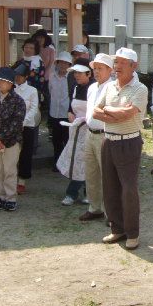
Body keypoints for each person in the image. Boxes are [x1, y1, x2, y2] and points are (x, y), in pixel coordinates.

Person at [93, 47, 148, 250]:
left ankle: (132, 233)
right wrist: (113, 112)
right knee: (110, 186)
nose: (117, 67)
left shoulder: (140, 89)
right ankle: (117, 229)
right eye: (116, 62)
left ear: (134, 66)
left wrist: (109, 111)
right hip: (108, 140)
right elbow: (96, 112)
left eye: (122, 63)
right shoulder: (109, 87)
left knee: (128, 189)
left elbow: (128, 114)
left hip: (129, 141)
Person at [0, 67, 26, 212]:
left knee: (9, 170)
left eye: (4, 81)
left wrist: (1, 138)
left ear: (11, 84)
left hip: (11, 140)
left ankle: (11, 198)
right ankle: (0, 196)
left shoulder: (18, 101)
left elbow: (17, 122)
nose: (0, 83)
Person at [79, 53, 113, 222]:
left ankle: (110, 212)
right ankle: (95, 207)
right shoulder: (92, 87)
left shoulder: (113, 88)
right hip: (90, 133)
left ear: (110, 70)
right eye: (95, 68)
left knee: (107, 175)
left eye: (101, 68)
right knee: (91, 172)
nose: (97, 72)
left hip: (105, 135)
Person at [58, 58, 95, 206]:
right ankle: (74, 193)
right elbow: (71, 106)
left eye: (80, 73)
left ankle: (82, 192)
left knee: (87, 160)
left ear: (88, 74)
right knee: (75, 160)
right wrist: (70, 113)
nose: (77, 76)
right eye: (75, 73)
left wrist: (84, 119)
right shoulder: (75, 87)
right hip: (75, 128)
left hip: (89, 128)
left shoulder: (94, 88)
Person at [14, 63, 40, 194]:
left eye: (20, 76)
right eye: (16, 76)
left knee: (25, 154)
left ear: (25, 77)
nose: (17, 78)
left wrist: (23, 122)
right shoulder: (11, 89)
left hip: (27, 126)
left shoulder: (32, 91)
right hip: (11, 127)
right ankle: (9, 180)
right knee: (11, 154)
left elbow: (34, 109)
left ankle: (22, 181)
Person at [49, 51, 73, 169]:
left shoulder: (71, 78)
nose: (63, 65)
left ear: (69, 65)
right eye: (61, 62)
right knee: (56, 140)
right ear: (57, 63)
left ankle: (67, 164)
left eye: (66, 63)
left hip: (66, 113)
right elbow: (50, 91)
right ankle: (57, 163)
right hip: (54, 113)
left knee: (67, 140)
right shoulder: (52, 76)